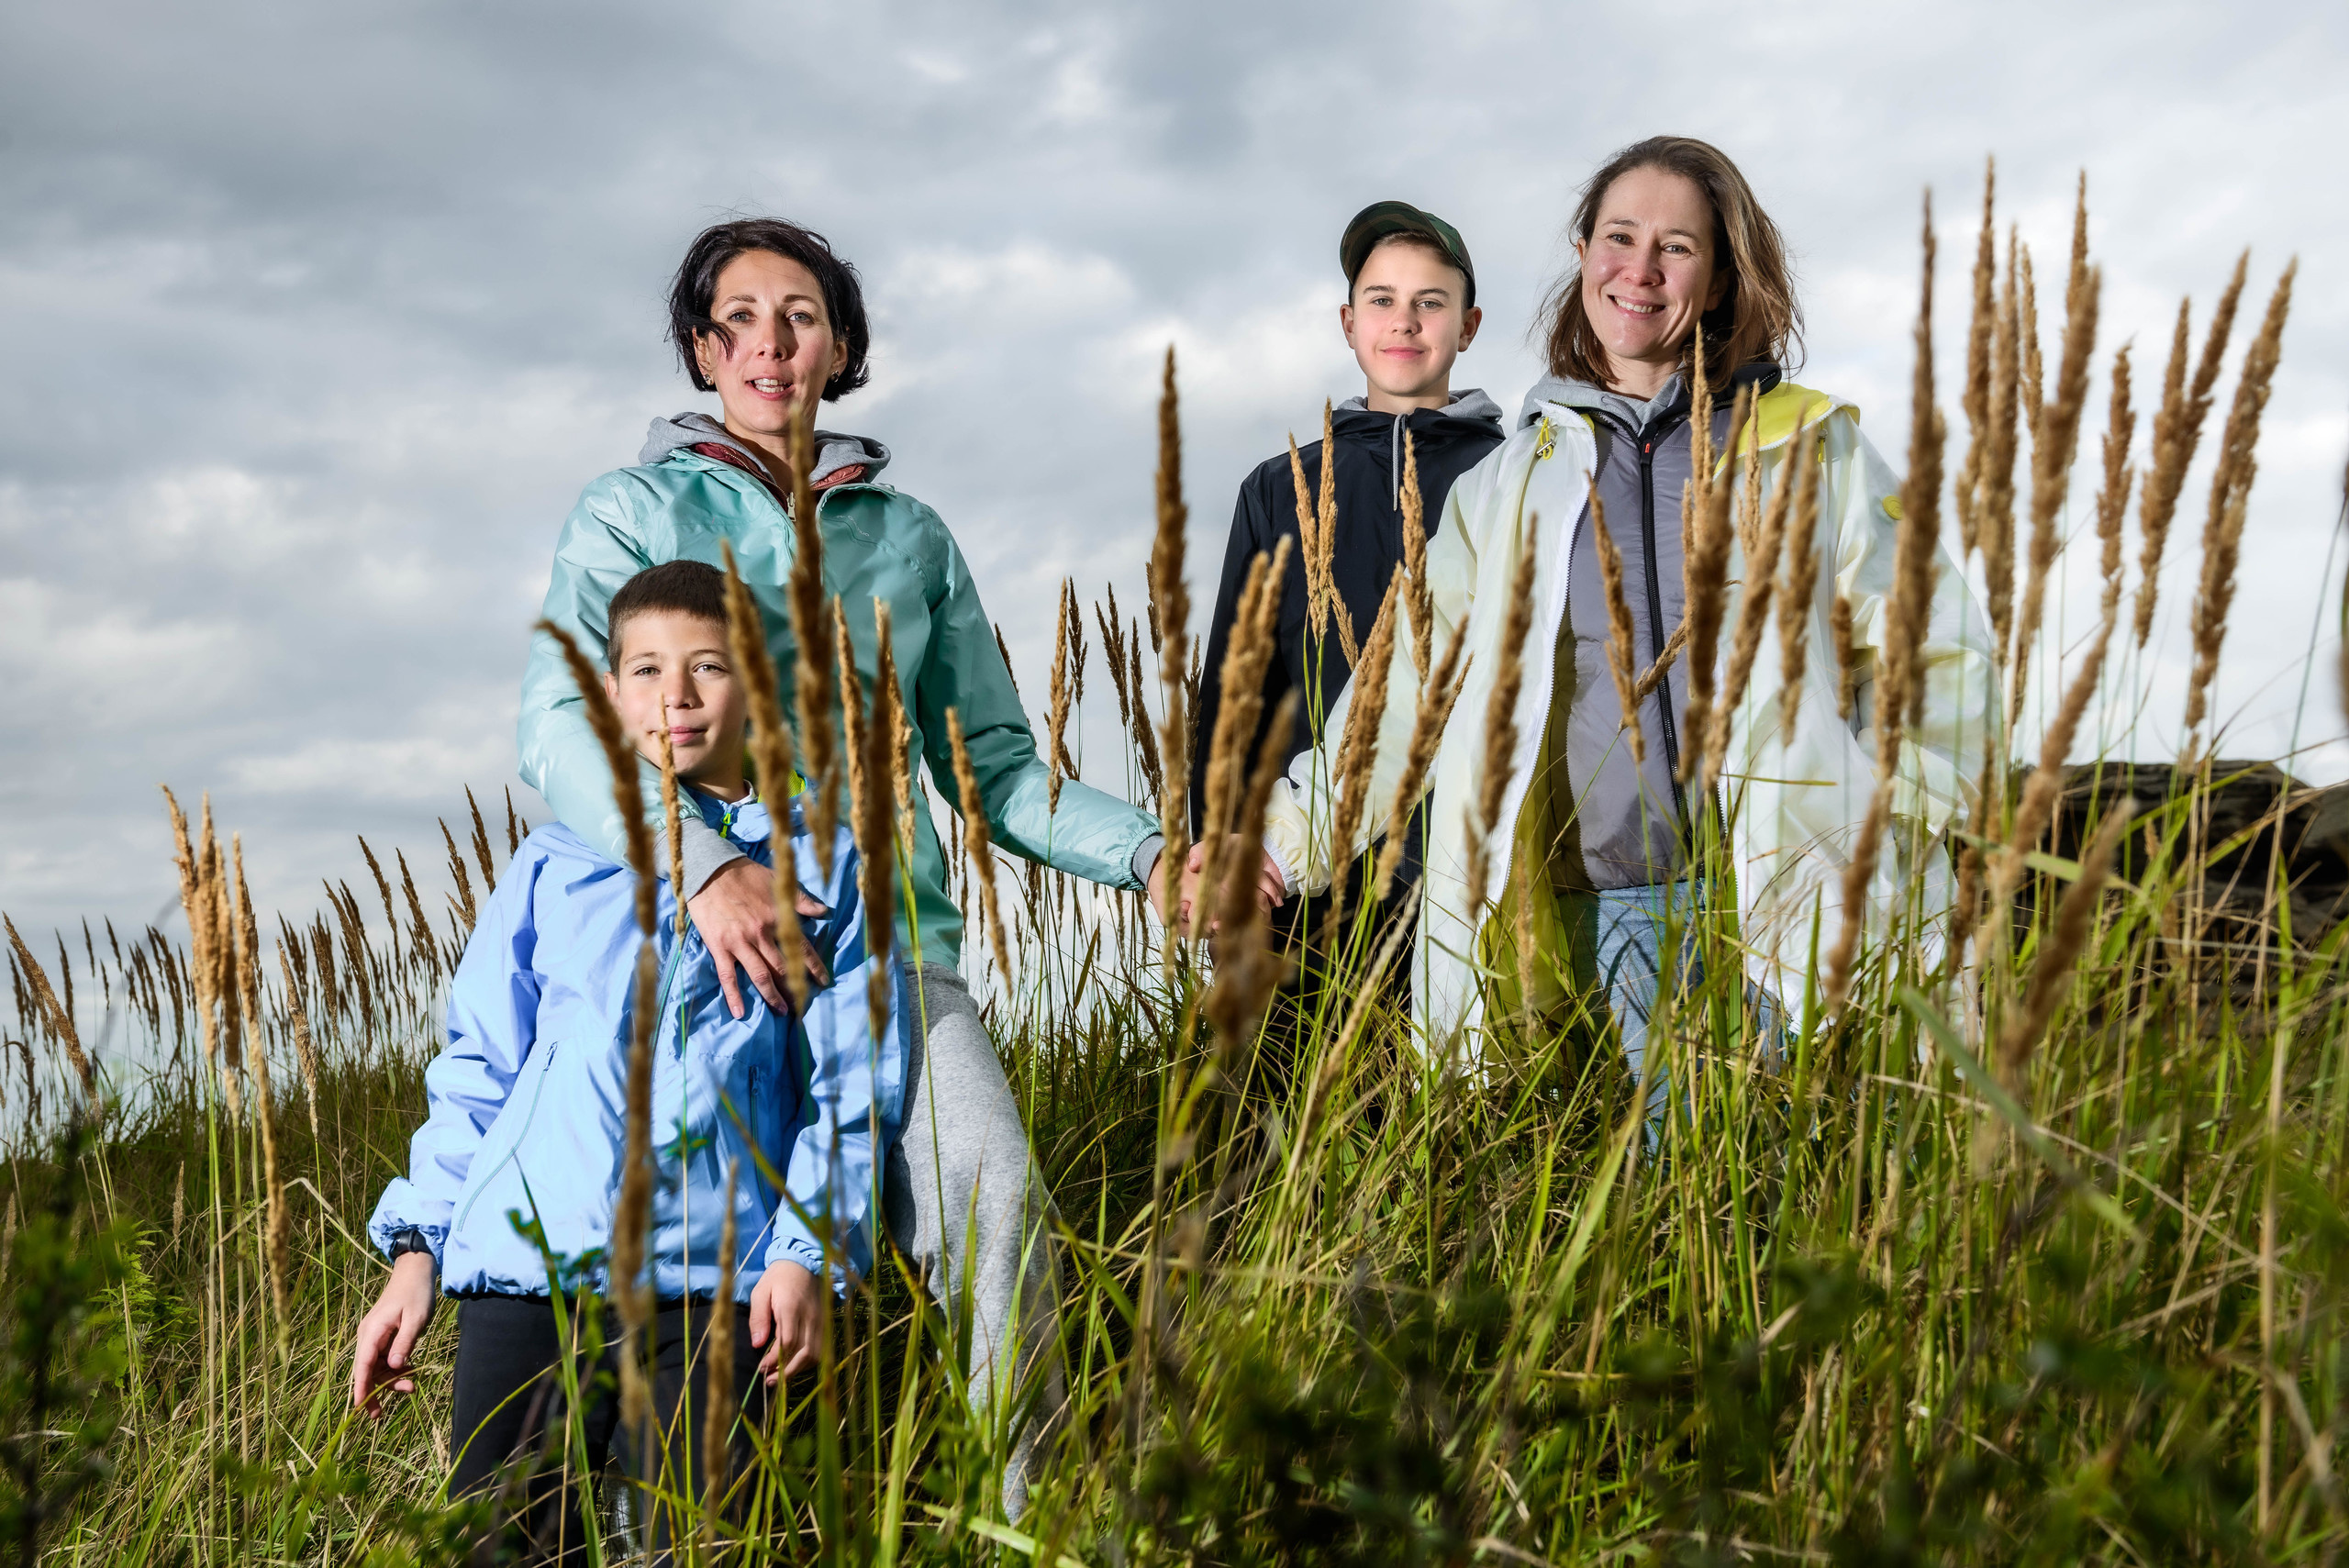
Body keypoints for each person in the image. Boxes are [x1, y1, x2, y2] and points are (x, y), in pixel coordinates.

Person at [518, 218, 1179, 1514]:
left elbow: (996, 766)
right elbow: (560, 720)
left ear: (841, 346)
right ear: (704, 348)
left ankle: (1020, 1520)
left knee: (1000, 1210)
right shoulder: (630, 509)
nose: (772, 342)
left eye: (802, 315)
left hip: (889, 959)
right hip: (699, 964)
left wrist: (1151, 853)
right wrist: (704, 865)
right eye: (742, 319)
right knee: (679, 1280)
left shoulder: (909, 536)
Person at [1252, 136, 1994, 1095]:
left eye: (1677, 247)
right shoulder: (1511, 483)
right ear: (1581, 253)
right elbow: (1404, 684)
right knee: (1677, 1208)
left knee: (1813, 1204)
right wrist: (1282, 840)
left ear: (1723, 276)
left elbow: (1935, 651)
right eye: (1618, 236)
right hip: (1611, 909)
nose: (1639, 271)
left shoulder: (1810, 447)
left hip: (1795, 895)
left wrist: (1902, 820)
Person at [354, 561, 907, 1562]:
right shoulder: (553, 862)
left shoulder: (820, 864)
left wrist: (804, 1250)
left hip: (712, 1282)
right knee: (504, 1545)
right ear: (609, 695)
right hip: (530, 1279)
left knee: (699, 1545)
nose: (677, 696)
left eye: (708, 667)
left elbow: (851, 1084)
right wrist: (417, 1252)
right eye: (646, 669)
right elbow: (478, 1068)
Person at [1191, 201, 1503, 1013]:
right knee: (1289, 1114)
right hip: (1303, 878)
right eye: (1381, 299)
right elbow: (1235, 687)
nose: (1404, 321)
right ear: (1347, 320)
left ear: (1468, 325)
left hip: (1464, 873)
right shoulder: (1278, 485)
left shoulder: (1511, 475)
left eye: (1430, 302)